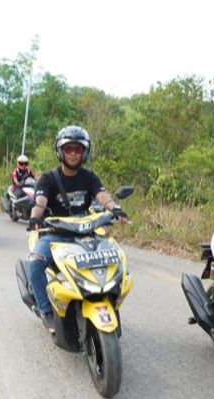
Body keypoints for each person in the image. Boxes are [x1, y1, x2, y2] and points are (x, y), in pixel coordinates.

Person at [27, 125, 128, 332]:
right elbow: (40, 202)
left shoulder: (89, 177)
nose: (73, 153)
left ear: (84, 152)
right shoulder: (48, 178)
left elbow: (103, 196)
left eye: (78, 149)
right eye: (69, 149)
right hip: (56, 235)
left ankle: (106, 300)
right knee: (35, 263)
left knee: (115, 258)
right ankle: (46, 311)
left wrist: (115, 209)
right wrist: (35, 218)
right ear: (60, 152)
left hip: (86, 233)